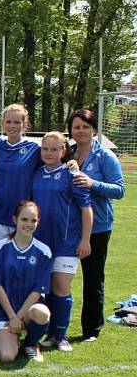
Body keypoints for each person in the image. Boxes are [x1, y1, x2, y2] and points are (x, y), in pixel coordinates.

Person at [67, 108, 125, 342]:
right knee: (58, 276)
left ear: (94, 130)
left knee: (92, 279)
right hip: (69, 226)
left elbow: (120, 190)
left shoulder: (105, 156)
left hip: (97, 227)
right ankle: (51, 326)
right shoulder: (67, 153)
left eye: (85, 127)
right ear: (70, 130)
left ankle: (91, 329)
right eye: (76, 127)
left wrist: (93, 183)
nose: (80, 131)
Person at [31, 132, 92, 352]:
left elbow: (86, 209)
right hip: (41, 242)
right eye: (45, 149)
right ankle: (48, 332)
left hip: (67, 242)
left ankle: (61, 335)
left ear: (63, 151)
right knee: (45, 288)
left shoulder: (71, 174)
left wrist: (85, 240)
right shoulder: (36, 174)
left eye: (54, 149)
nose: (49, 153)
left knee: (62, 288)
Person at [0, 201, 52, 362]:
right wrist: (12, 317)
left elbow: (38, 290)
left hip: (29, 312)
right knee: (7, 356)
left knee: (42, 312)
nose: (29, 224)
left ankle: (30, 344)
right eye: (24, 219)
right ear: (15, 220)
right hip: (4, 312)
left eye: (33, 220)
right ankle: (12, 335)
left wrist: (19, 316)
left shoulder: (44, 251)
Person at [0, 104, 41, 247]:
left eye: (17, 122)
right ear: (3, 123)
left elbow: (57, 156)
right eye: (8, 122)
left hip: (23, 215)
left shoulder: (34, 148)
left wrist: (71, 161)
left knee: (20, 259)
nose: (12, 126)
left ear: (24, 124)